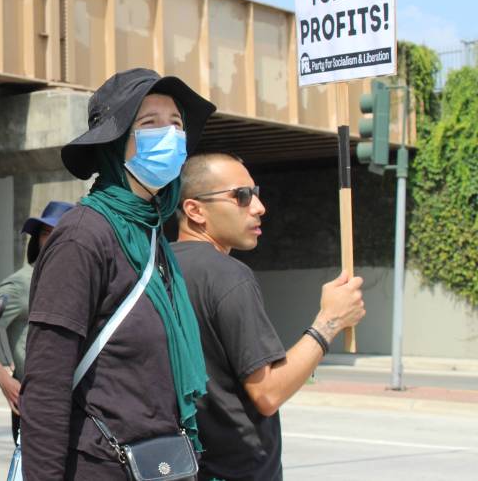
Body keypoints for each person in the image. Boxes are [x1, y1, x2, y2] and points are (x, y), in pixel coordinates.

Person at [20, 67, 216, 479]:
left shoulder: (149, 231)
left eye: (176, 124)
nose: (170, 135)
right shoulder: (83, 236)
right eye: (149, 124)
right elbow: (46, 385)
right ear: (114, 144)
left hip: (158, 464)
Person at [173, 153, 366, 481]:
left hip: (182, 466)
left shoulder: (155, 268)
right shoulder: (229, 277)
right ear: (194, 210)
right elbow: (268, 393)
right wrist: (329, 321)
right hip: (236, 470)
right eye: (242, 196)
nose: (259, 206)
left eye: (256, 192)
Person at [0, 200, 73, 443]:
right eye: (45, 234)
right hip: (36, 402)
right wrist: (4, 379)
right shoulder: (22, 284)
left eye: (59, 234)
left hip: (76, 401)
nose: (51, 240)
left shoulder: (80, 281)